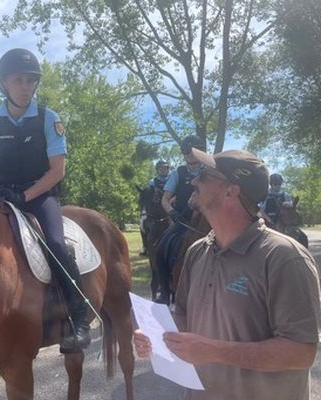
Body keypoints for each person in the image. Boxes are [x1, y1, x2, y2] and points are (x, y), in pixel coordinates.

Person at [134, 148, 321, 400]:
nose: (193, 180)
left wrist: (214, 351)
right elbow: (184, 317)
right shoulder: (197, 252)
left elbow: (301, 351)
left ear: (230, 191)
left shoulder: (285, 258)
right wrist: (157, 336)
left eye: (204, 174)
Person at [0, 48, 90, 353]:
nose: (26, 86)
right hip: (1, 195)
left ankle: (79, 320)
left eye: (30, 81)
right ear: (4, 84)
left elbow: (58, 171)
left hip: (39, 195)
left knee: (55, 242)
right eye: (19, 80)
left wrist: (25, 195)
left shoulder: (49, 119)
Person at [154, 136, 205, 304]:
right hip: (183, 222)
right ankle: (165, 292)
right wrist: (172, 213)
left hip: (208, 221)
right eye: (185, 150)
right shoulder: (178, 173)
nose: (189, 153)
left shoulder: (210, 171)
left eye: (193, 149)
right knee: (160, 248)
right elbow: (165, 199)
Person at [139, 160, 170, 256]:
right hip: (157, 208)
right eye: (160, 168)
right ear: (157, 170)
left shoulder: (172, 179)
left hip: (171, 205)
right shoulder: (153, 182)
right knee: (142, 224)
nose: (162, 170)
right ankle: (145, 247)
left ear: (167, 169)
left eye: (164, 168)